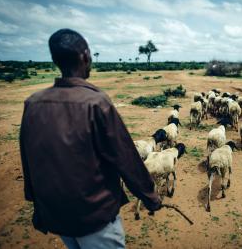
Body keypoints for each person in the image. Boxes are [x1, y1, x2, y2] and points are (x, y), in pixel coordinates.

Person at [20, 29, 161, 249]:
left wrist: (37, 205)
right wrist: (150, 196)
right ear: (85, 56)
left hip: (58, 215)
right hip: (95, 217)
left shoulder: (33, 103)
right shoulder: (96, 103)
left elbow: (28, 159)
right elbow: (126, 158)